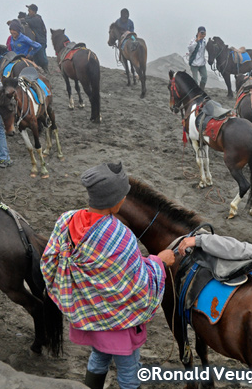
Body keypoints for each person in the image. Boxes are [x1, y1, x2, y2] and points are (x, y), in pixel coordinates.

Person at [41, 162, 175, 389]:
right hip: (118, 325)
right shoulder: (120, 237)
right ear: (116, 201)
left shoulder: (66, 220)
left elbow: (50, 262)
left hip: (91, 317)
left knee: (98, 357)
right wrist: (160, 261)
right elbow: (137, 284)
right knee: (129, 373)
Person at [25, 4, 49, 73]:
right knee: (36, 58)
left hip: (40, 41)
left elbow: (28, 21)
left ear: (33, 11)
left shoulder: (36, 19)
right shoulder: (34, 18)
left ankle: (46, 69)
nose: (28, 12)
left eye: (29, 10)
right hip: (36, 41)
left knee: (42, 58)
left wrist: (24, 17)